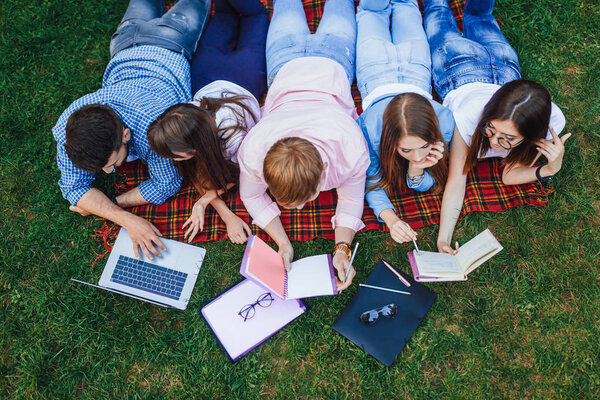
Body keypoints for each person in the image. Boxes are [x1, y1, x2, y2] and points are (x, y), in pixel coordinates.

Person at [52, 0, 211, 260]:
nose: (109, 172)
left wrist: (113, 203)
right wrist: (124, 218)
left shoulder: (154, 131)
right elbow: (74, 188)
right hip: (125, 42)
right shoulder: (70, 130)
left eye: (112, 162)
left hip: (171, 42)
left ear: (126, 134)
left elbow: (167, 183)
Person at [237, 0, 370, 291]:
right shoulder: (253, 150)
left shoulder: (351, 149)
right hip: (294, 62)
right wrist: (282, 243)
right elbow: (250, 196)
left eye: (303, 200)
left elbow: (350, 200)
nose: (297, 210)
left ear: (324, 168)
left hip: (327, 60)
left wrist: (342, 249)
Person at [423, 0, 570, 254]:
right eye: (491, 130)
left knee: (476, 15)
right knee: (440, 9)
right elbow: (457, 181)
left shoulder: (551, 124)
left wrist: (549, 168)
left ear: (531, 134)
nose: (493, 143)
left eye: (507, 139)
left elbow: (509, 175)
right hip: (458, 64)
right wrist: (442, 239)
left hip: (504, 72)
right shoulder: (471, 117)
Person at [147, 0, 269, 244]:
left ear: (196, 146)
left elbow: (236, 178)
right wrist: (222, 212)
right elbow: (205, 176)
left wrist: (204, 201)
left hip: (243, 75)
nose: (171, 161)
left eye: (175, 155)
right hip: (210, 76)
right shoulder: (188, 126)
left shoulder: (233, 139)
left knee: (255, 14)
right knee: (229, 13)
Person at [355, 0, 455, 245]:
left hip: (401, 71)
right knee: (377, 9)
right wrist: (391, 219)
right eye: (406, 150)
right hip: (389, 68)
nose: (418, 156)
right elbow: (371, 178)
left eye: (423, 146)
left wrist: (416, 169)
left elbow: (425, 182)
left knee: (403, 7)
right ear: (390, 140)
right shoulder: (369, 130)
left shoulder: (444, 122)